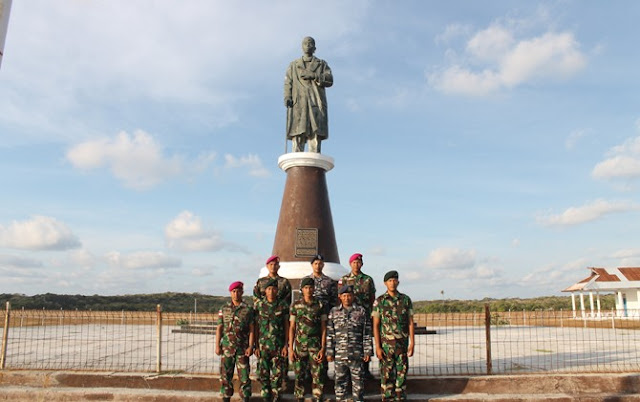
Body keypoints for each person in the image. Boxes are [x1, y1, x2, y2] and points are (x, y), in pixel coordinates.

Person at [284, 36, 333, 153]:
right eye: (305, 43)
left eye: (310, 43)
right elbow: (288, 82)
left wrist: (314, 75)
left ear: (314, 48)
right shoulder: (294, 65)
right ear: (302, 47)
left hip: (315, 101)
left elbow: (330, 79)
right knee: (298, 132)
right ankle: (296, 158)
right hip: (299, 103)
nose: (308, 45)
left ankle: (314, 156)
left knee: (314, 132)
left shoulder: (321, 64)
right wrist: (287, 97)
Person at [372, 270, 415, 401]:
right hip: (386, 348)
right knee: (386, 378)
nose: (392, 283)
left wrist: (412, 343)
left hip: (401, 346)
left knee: (401, 377)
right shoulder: (379, 301)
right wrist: (378, 347)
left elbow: (410, 323)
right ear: (385, 283)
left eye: (394, 280)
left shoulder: (405, 300)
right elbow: (376, 325)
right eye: (390, 281)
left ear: (398, 282)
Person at [326, 285, 373, 402]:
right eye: (344, 296)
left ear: (353, 296)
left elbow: (366, 333)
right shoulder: (334, 312)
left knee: (358, 385)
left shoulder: (361, 311)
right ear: (340, 297)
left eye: (349, 296)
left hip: (356, 354)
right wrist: (330, 352)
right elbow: (330, 333)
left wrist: (367, 350)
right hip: (340, 355)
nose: (347, 298)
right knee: (340, 384)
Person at [289, 277, 327, 402]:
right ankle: (299, 397)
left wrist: (323, 348)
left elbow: (323, 328)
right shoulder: (296, 306)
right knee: (299, 374)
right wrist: (291, 348)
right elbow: (292, 328)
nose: (309, 290)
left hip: (315, 346)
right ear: (302, 289)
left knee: (317, 375)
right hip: (300, 346)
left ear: (314, 289)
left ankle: (317, 397)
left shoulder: (320, 305)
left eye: (311, 287)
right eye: (306, 288)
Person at [215, 281, 255, 402]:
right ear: (230, 293)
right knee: (225, 376)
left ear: (242, 292)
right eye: (233, 291)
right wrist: (217, 345)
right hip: (227, 348)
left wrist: (250, 346)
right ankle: (226, 397)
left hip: (242, 348)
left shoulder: (248, 309)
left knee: (244, 376)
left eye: (238, 291)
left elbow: (252, 329)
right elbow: (219, 328)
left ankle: (245, 398)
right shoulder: (224, 309)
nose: (236, 294)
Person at [340, 252, 376, 379]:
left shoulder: (368, 280)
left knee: (364, 342)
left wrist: (371, 313)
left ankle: (365, 370)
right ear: (350, 264)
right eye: (354, 262)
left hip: (364, 316)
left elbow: (372, 298)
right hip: (349, 316)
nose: (356, 265)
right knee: (349, 341)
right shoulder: (344, 279)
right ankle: (348, 371)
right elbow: (340, 297)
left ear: (362, 264)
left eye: (358, 262)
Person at [254, 279, 290, 402]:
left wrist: (286, 345)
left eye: (274, 288)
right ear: (265, 291)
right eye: (269, 289)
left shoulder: (283, 306)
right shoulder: (259, 305)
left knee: (277, 375)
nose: (271, 291)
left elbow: (287, 326)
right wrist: (256, 346)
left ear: (277, 290)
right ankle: (265, 397)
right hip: (263, 346)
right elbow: (255, 326)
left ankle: (276, 397)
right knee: (263, 375)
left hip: (278, 346)